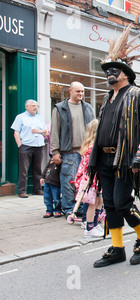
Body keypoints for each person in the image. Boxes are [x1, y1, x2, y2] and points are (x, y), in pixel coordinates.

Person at [88, 24, 140, 267]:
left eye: (114, 69)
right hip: (104, 160)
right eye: (107, 69)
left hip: (124, 159)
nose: (109, 73)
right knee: (109, 204)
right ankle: (118, 249)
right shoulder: (107, 98)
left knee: (122, 202)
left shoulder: (137, 94)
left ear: (125, 73)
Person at [51, 82, 95, 216]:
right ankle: (69, 209)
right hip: (69, 152)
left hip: (86, 152)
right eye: (77, 91)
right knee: (69, 182)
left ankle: (81, 208)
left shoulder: (88, 107)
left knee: (85, 182)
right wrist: (55, 151)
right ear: (70, 91)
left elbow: (94, 128)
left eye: (82, 91)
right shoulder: (60, 108)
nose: (81, 94)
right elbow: (54, 131)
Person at [11, 99, 48, 198]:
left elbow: (45, 132)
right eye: (33, 106)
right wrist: (20, 145)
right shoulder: (20, 117)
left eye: (36, 106)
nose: (35, 108)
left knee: (37, 169)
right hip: (26, 146)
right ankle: (22, 191)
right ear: (26, 107)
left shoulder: (39, 118)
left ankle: (37, 189)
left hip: (39, 146)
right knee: (24, 169)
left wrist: (43, 132)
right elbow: (16, 133)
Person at [74, 119, 104, 238]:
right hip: (91, 179)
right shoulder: (93, 147)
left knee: (98, 201)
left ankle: (95, 224)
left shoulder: (92, 145)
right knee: (92, 203)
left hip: (95, 178)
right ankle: (90, 227)